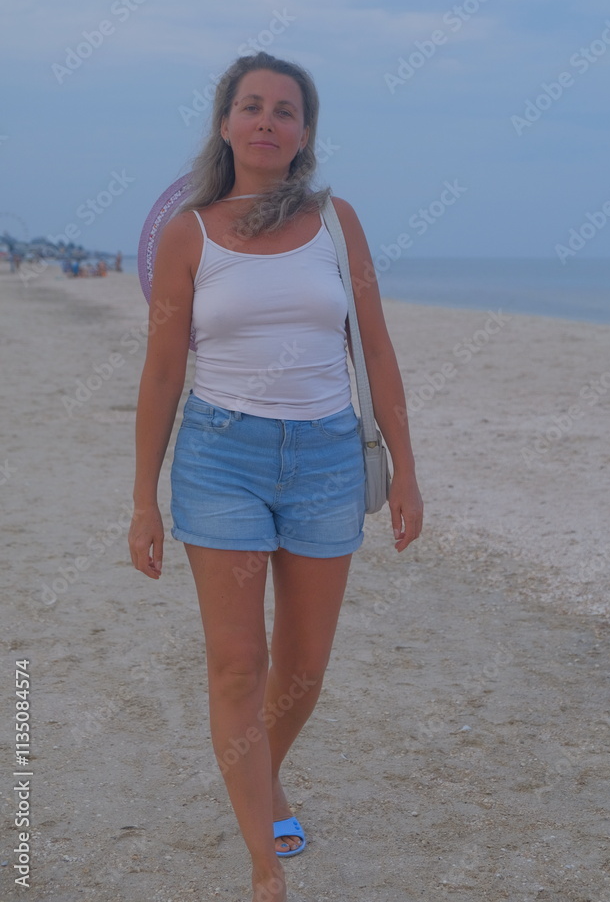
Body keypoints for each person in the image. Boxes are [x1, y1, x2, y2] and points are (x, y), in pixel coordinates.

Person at [127, 51, 423, 902]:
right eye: (251, 106)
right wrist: (142, 499)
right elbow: (161, 372)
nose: (267, 120)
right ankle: (264, 866)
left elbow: (376, 348)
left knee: (303, 668)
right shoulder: (188, 233)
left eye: (285, 110)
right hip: (221, 458)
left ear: (304, 134)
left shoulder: (338, 224)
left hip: (328, 460)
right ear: (225, 124)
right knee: (237, 665)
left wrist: (407, 471)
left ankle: (264, 774)